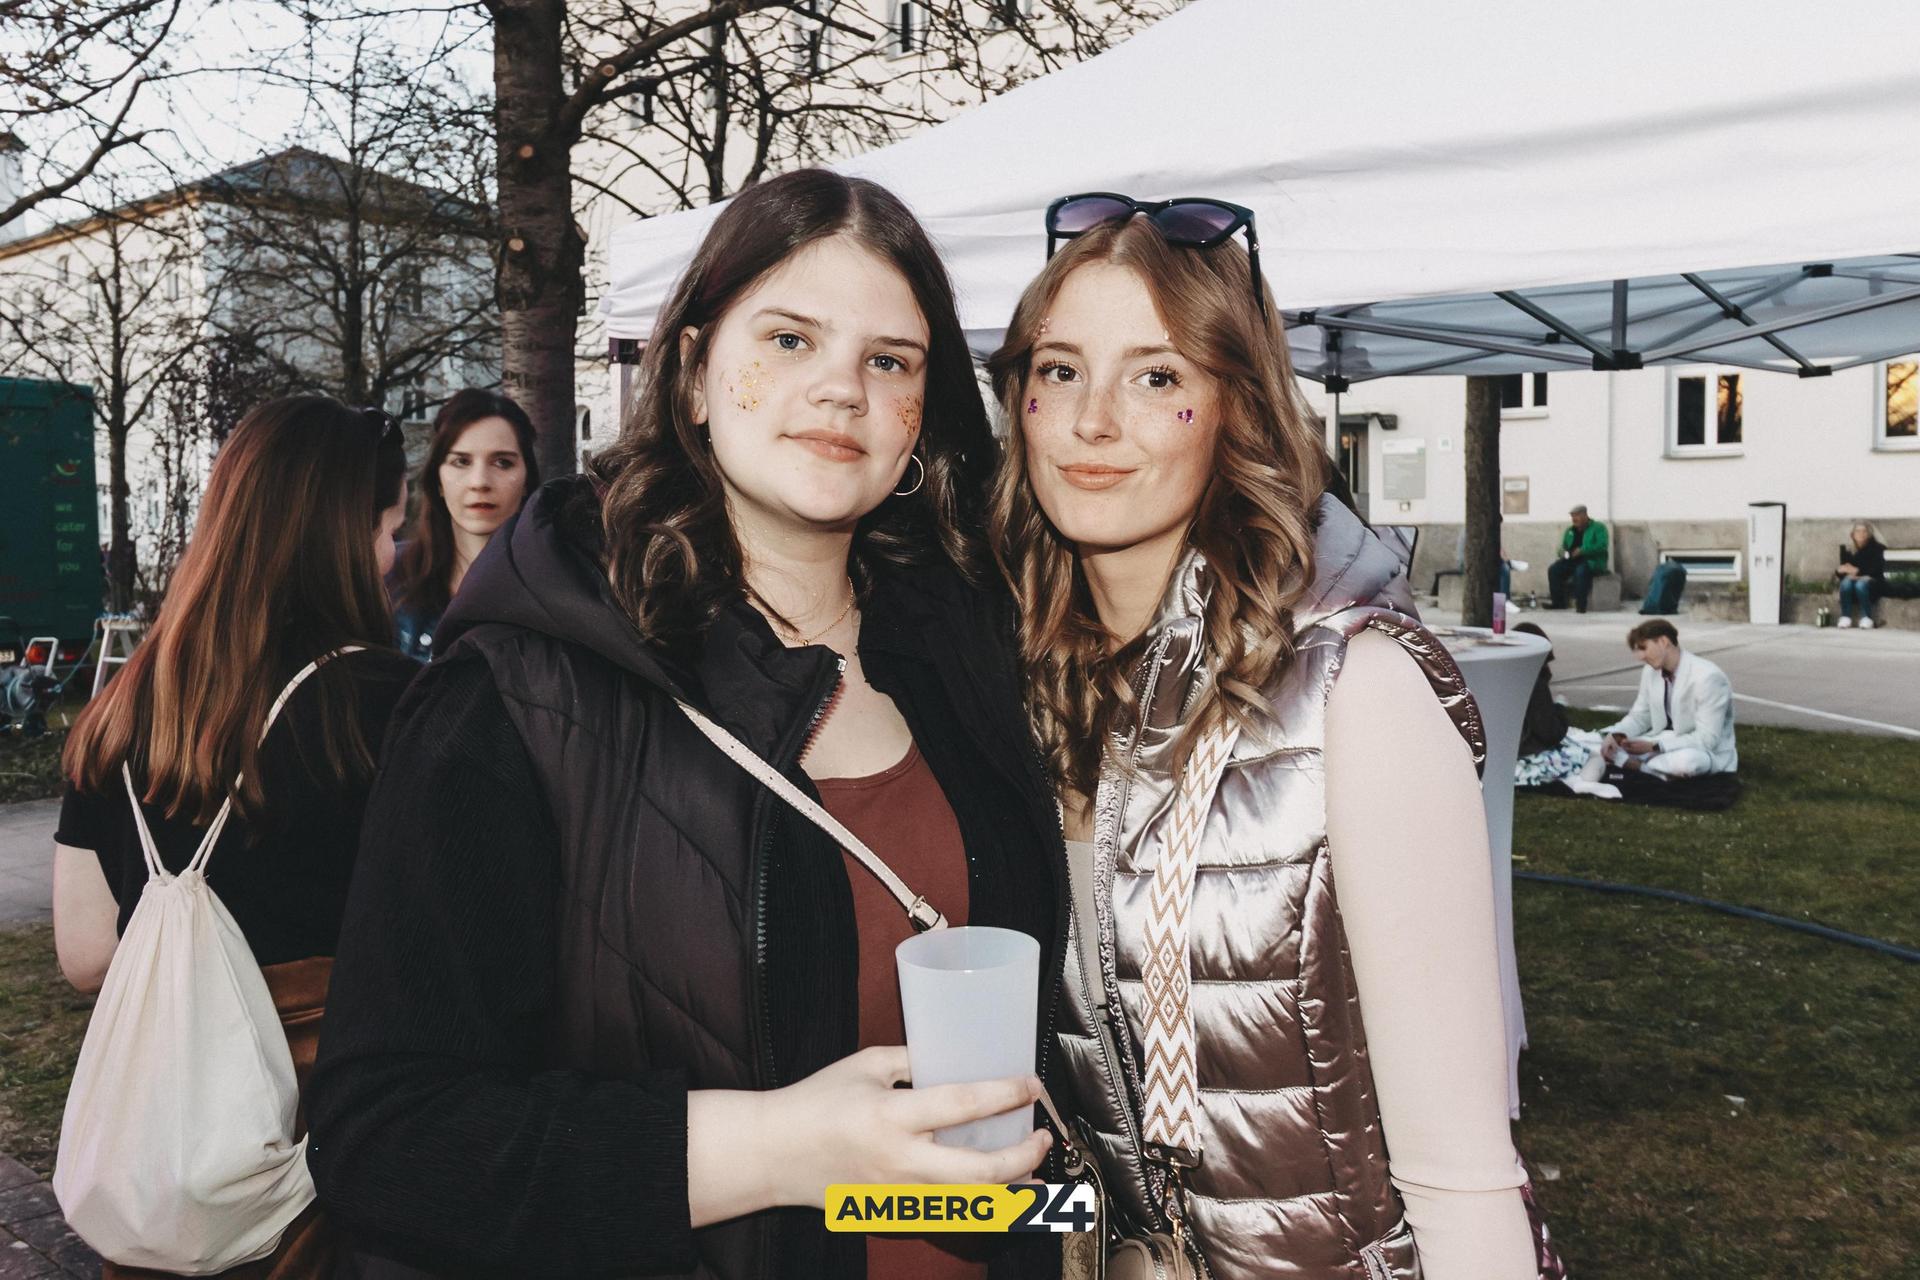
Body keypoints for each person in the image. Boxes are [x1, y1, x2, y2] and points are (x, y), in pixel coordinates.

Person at [305, 169, 1067, 1280]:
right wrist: (771, 1149)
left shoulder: (966, 660)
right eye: (791, 340)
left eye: (889, 360)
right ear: (697, 374)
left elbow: (1003, 1142)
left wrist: (1093, 1235)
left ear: (922, 418)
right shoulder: (520, 689)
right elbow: (385, 1138)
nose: (843, 389)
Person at [987, 202, 1546, 1280]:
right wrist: (828, 1196)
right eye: (1059, 369)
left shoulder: (1356, 688)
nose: (1093, 419)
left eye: (1157, 376)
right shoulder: (1028, 691)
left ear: (1235, 405)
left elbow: (1464, 1180)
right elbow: (1070, 1163)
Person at [52, 395, 416, 1279]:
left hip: (172, 1169)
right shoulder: (397, 703)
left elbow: (87, 954)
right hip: (343, 1158)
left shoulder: (122, 712)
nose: (390, 559)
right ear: (343, 533)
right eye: (391, 531)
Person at [387, 390, 541, 661]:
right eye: (461, 461)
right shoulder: (389, 579)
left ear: (527, 478)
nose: (479, 481)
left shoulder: (557, 590)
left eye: (502, 462)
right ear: (438, 479)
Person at [1576, 618, 1736, 790]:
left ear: (1663, 641)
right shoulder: (1650, 672)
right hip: (1660, 741)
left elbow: (1707, 739)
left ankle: (1637, 766)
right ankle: (1647, 768)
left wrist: (1655, 747)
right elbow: (1640, 716)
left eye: (1643, 648)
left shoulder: (1708, 677)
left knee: (1686, 763)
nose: (1640, 657)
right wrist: (1617, 735)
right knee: (1601, 745)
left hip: (1703, 751)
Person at [1510, 622, 1607, 792]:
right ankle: (1582, 784)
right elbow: (1550, 732)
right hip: (1530, 759)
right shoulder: (1534, 684)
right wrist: (1560, 710)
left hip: (1505, 758)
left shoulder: (1501, 678)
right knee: (1594, 758)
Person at [1547, 503, 1607, 612]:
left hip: (1591, 561)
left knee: (1580, 571)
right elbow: (1561, 548)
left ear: (1585, 515)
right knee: (1554, 569)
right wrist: (1564, 553)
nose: (1574, 519)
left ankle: (1581, 604)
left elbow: (1602, 546)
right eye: (1572, 516)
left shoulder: (1598, 527)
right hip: (1571, 560)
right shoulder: (1570, 530)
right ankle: (1558, 603)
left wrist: (1583, 550)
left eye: (1576, 516)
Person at [1834, 520, 1887, 629]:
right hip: (1852, 584)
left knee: (1860, 584)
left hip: (1872, 584)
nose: (1861, 534)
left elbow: (1876, 570)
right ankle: (1845, 617)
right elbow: (1845, 570)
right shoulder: (1847, 549)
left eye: (1864, 531)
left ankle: (1866, 618)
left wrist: (1857, 572)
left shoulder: (1877, 548)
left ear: (1869, 534)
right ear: (1852, 534)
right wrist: (1840, 571)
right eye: (1858, 531)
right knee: (1846, 583)